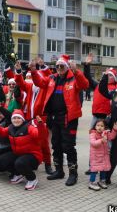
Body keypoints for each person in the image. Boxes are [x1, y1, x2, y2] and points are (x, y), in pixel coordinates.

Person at [29, 55, 89, 186]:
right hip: (54, 117)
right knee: (56, 144)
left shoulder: (73, 78)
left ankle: (73, 174)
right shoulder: (52, 78)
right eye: (57, 66)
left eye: (62, 66)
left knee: (68, 146)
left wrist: (77, 71)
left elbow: (85, 85)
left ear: (67, 67)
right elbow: (39, 82)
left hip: (69, 118)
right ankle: (59, 171)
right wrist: (33, 71)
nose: (59, 68)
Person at [14, 60, 53, 175]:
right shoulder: (30, 86)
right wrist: (18, 71)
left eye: (37, 78)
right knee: (30, 143)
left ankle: (48, 164)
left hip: (41, 120)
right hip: (29, 120)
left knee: (44, 143)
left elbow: (48, 76)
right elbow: (20, 82)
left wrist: (39, 69)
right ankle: (33, 162)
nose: (35, 80)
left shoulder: (45, 88)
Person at [0, 110, 44, 191]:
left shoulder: (29, 127)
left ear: (22, 119)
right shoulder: (11, 127)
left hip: (33, 155)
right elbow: (1, 132)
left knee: (19, 163)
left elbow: (39, 135)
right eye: (14, 118)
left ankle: (32, 179)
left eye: (18, 118)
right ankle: (18, 174)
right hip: (18, 153)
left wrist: (40, 125)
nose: (16, 120)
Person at [88, 120, 117, 191]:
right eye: (98, 125)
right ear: (95, 126)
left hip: (104, 156)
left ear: (104, 127)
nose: (99, 127)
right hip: (96, 156)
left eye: (102, 126)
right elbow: (93, 143)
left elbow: (111, 137)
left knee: (103, 169)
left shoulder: (105, 133)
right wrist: (101, 140)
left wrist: (114, 129)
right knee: (94, 170)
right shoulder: (93, 134)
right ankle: (92, 182)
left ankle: (102, 181)